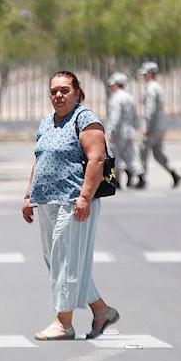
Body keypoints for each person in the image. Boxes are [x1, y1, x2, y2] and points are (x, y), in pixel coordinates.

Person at [22, 71, 121, 340]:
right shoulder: (47, 122)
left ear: (77, 92)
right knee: (59, 263)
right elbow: (39, 159)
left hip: (72, 201)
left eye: (65, 90)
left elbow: (97, 160)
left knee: (66, 262)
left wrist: (84, 197)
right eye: (53, 90)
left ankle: (63, 322)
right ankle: (101, 310)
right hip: (46, 201)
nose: (58, 95)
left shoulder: (85, 119)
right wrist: (28, 195)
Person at [135, 61, 181, 189]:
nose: (143, 77)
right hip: (160, 126)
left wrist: (145, 126)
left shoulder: (151, 88)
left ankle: (141, 178)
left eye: (145, 74)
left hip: (152, 126)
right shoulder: (158, 87)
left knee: (142, 152)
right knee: (158, 154)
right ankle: (174, 174)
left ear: (150, 74)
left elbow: (149, 110)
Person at [105, 72, 142, 188]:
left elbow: (115, 117)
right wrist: (136, 127)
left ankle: (117, 182)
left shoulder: (116, 98)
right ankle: (141, 177)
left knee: (115, 156)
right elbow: (135, 115)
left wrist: (110, 131)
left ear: (116, 85)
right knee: (131, 156)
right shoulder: (129, 97)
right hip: (129, 131)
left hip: (119, 132)